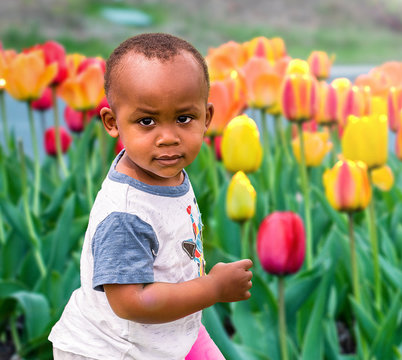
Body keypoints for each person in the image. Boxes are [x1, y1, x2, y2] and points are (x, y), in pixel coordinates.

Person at [49, 33, 253, 359]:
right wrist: (212, 288)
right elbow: (131, 302)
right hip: (116, 349)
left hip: (170, 332)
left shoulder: (166, 173)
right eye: (147, 121)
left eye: (184, 118)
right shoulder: (126, 214)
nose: (168, 138)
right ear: (112, 123)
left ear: (207, 118)